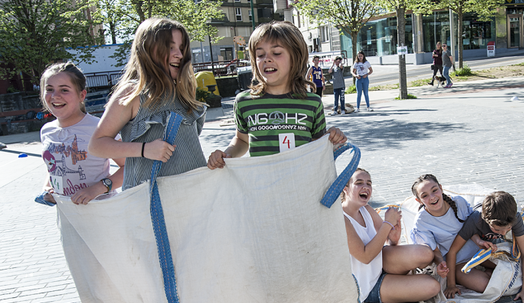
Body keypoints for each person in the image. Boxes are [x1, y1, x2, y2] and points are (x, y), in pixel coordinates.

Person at [89, 18, 206, 190]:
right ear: (148, 50)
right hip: (148, 203)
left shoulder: (184, 92)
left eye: (181, 49)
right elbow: (96, 146)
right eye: (171, 47)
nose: (179, 55)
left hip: (193, 197)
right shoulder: (132, 93)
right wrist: (144, 149)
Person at [207, 21, 346, 165]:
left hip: (301, 184)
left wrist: (332, 138)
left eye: (277, 52)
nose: (267, 58)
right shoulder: (243, 101)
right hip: (260, 184)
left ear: (295, 57)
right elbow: (242, 140)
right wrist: (226, 155)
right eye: (260, 54)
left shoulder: (312, 102)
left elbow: (318, 146)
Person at [342, 169, 439, 303]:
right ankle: (395, 282)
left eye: (369, 183)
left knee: (426, 253)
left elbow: (387, 239)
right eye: (359, 183)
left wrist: (394, 239)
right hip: (366, 283)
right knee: (432, 287)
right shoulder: (341, 219)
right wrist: (387, 224)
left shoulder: (366, 209)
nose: (366, 187)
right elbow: (365, 257)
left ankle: (401, 276)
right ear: (345, 189)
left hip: (381, 262)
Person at [37, 62, 124, 205]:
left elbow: (129, 167)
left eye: (64, 90)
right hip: (67, 219)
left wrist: (98, 188)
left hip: (104, 217)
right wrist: (47, 188)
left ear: (81, 95)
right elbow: (53, 166)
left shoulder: (100, 128)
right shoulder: (46, 131)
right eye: (49, 89)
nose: (55, 96)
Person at [444, 191, 524, 303]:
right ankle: (486, 271)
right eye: (497, 230)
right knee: (486, 285)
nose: (503, 233)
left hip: (497, 253)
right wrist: (451, 285)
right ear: (486, 220)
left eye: (508, 229)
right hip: (475, 255)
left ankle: (490, 271)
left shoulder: (515, 218)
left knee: (519, 270)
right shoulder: (475, 220)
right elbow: (452, 251)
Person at [409, 174, 483, 281]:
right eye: (425, 196)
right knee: (483, 284)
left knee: (503, 270)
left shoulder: (459, 202)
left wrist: (480, 241)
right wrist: (441, 263)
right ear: (419, 200)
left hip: (478, 253)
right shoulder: (421, 221)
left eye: (434, 190)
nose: (432, 197)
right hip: (456, 262)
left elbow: (472, 227)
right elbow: (434, 250)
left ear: (441, 188)